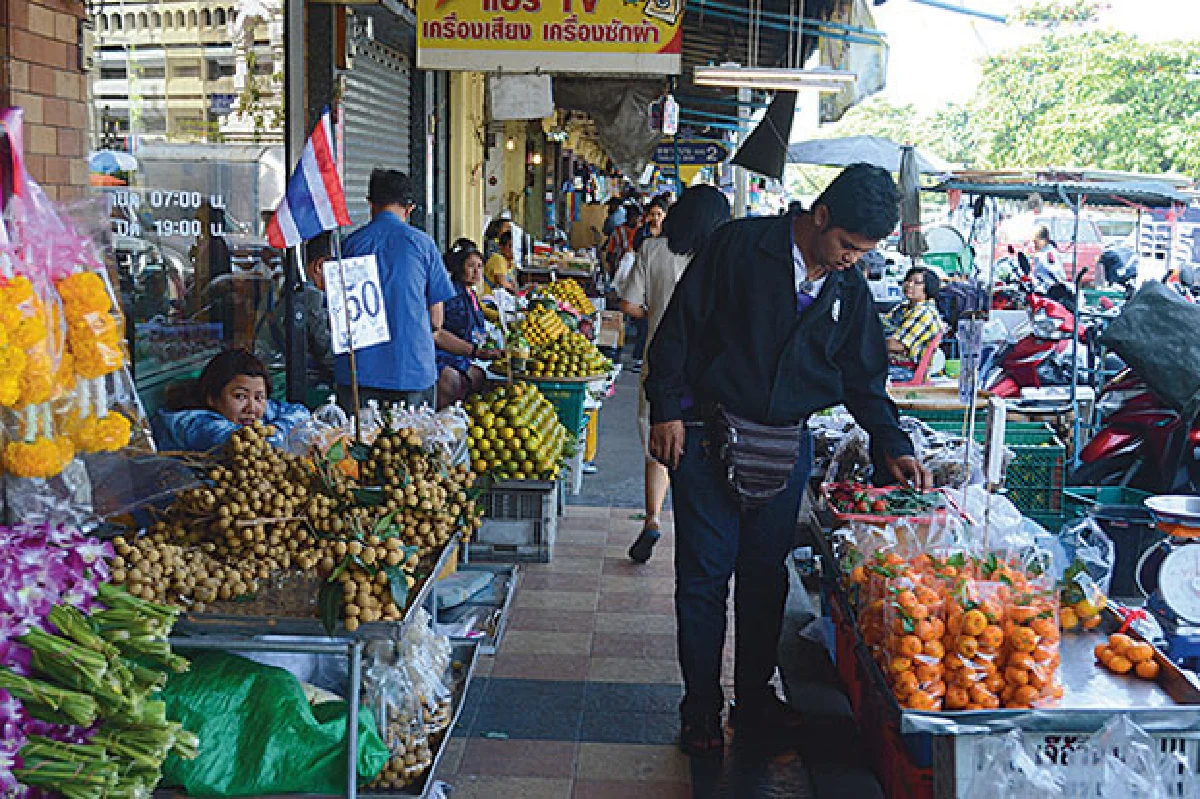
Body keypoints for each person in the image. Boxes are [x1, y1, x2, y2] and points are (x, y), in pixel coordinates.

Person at [645, 164, 930, 757]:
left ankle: (754, 699)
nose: (853, 260)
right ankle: (700, 708)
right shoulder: (739, 246)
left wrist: (893, 443)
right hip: (706, 437)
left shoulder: (847, 290)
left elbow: (864, 378)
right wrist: (665, 407)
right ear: (819, 216)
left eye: (864, 252)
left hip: (784, 447)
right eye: (848, 245)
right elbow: (679, 327)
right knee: (703, 578)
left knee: (763, 575)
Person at [621, 185, 731, 564]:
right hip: (712, 366)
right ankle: (695, 525)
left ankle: (653, 518)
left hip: (661, 360)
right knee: (706, 439)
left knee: (658, 436)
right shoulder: (725, 255)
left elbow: (629, 304)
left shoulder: (653, 250)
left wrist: (658, 316)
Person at [335, 169, 456, 410]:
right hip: (411, 371)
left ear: (370, 203)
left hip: (359, 374)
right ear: (409, 208)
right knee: (410, 444)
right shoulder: (423, 244)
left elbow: (339, 314)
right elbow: (436, 320)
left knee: (358, 445)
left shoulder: (349, 245)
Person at [152, 349, 310, 452]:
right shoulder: (196, 425)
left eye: (259, 397)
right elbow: (258, 445)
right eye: (240, 396)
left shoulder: (248, 411)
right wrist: (277, 431)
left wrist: (273, 427)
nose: (251, 407)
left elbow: (300, 411)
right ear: (212, 398)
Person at [434, 239, 503, 408]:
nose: (477, 271)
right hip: (446, 356)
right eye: (471, 266)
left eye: (480, 266)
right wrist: (475, 351)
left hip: (467, 355)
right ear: (459, 268)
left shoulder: (471, 293)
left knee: (482, 378)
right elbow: (438, 333)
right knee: (452, 381)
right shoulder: (449, 294)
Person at [885, 266, 945, 382]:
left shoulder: (924, 312)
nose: (909, 285)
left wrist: (868, 340)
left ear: (928, 288)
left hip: (906, 371)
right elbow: (882, 324)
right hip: (893, 363)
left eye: (917, 283)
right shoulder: (903, 307)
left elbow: (897, 345)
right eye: (908, 280)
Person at [1031, 225, 1067, 294]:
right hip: (1056, 290)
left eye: (1036, 242)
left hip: (1049, 292)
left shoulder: (1044, 255)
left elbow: (1054, 276)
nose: (1034, 245)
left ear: (1045, 240)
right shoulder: (1052, 251)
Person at [482, 229, 517, 298]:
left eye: (516, 247)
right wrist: (519, 292)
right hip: (488, 299)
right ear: (501, 247)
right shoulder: (498, 259)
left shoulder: (512, 263)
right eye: (510, 246)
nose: (513, 250)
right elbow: (503, 284)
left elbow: (513, 284)